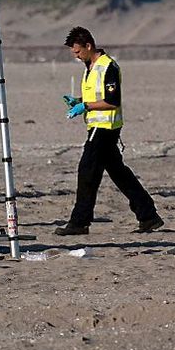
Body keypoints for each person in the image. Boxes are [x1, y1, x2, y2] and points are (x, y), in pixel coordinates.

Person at [55, 26, 163, 236]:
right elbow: (96, 96)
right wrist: (78, 101)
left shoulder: (108, 66)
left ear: (88, 46)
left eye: (78, 52)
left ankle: (79, 222)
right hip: (97, 126)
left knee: (87, 172)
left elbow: (112, 101)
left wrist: (85, 107)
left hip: (104, 128)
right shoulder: (90, 66)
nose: (76, 57)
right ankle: (148, 215)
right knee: (119, 173)